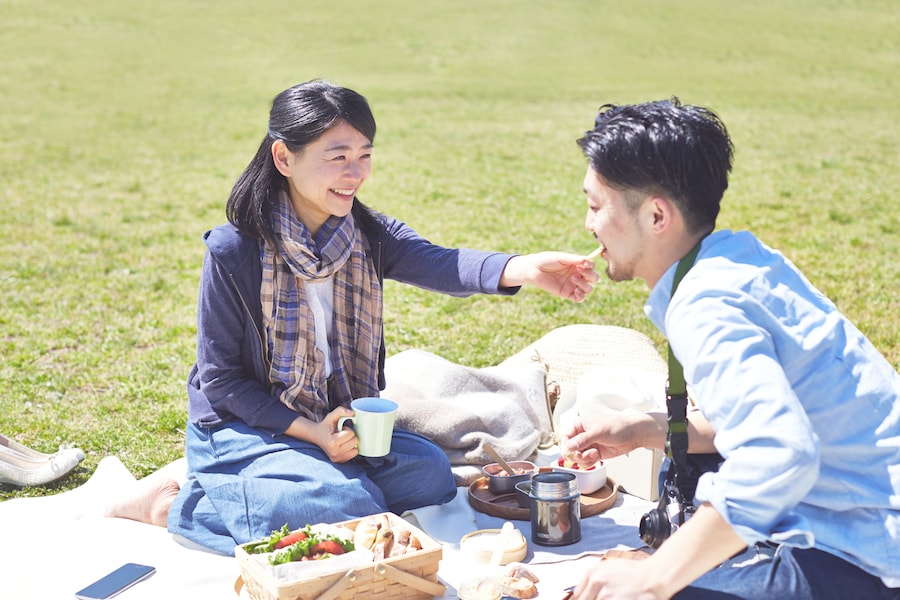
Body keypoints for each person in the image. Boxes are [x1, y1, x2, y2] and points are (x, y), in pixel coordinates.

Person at [106, 79, 598, 555]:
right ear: (284, 158)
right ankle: (178, 506)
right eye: (337, 157)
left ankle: (313, 488)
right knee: (347, 505)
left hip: (336, 419)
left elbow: (442, 262)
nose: (355, 173)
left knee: (429, 474)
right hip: (248, 427)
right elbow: (223, 384)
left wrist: (526, 269)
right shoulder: (236, 252)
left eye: (364, 156)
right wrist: (313, 433)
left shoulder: (368, 235)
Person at [562, 98, 900, 599]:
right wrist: (645, 429)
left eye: (595, 206)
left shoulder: (705, 305)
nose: (589, 225)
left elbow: (779, 452)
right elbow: (777, 419)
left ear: (657, 215)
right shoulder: (739, 258)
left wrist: (654, 578)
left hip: (869, 554)